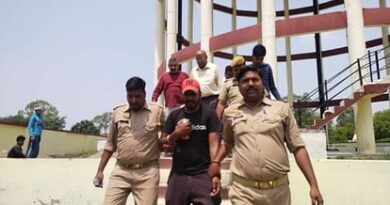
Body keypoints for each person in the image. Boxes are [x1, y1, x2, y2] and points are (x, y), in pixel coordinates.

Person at [209, 67, 323, 205]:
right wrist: (215, 162)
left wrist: (313, 185)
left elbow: (298, 147)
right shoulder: (230, 113)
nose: (250, 83)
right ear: (239, 86)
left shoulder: (281, 109)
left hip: (278, 192)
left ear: (263, 83)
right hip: (243, 192)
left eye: (255, 79)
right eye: (245, 81)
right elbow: (227, 143)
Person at [94, 77, 165, 205]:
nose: (134, 100)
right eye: (130, 96)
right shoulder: (117, 112)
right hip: (121, 171)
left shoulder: (157, 112)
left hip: (147, 173)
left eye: (138, 96)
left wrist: (165, 142)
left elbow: (166, 133)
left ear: (144, 94)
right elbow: (110, 144)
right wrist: (100, 171)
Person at [160, 78, 221, 205]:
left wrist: (215, 174)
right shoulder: (174, 116)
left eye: (193, 94)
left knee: (211, 202)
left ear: (200, 95)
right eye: (186, 94)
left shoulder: (209, 115)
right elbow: (162, 144)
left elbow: (214, 145)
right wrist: (176, 134)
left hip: (202, 172)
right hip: (179, 173)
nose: (190, 98)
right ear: (182, 96)